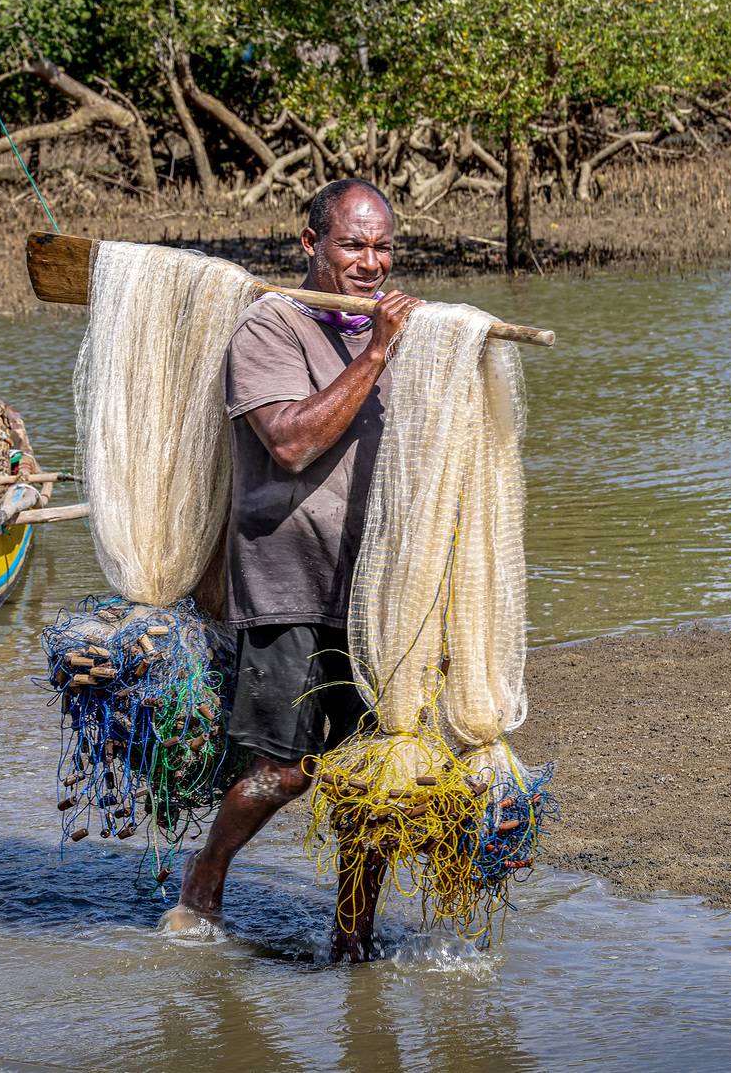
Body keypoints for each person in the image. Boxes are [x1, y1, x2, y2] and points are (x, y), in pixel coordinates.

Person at [161, 179, 421, 962]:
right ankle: (203, 883)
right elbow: (292, 443)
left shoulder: (396, 332)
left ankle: (354, 935)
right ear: (310, 244)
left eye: (382, 247)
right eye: (353, 244)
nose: (371, 262)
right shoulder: (270, 326)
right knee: (288, 768)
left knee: (380, 773)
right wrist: (376, 352)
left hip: (376, 586)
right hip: (289, 578)